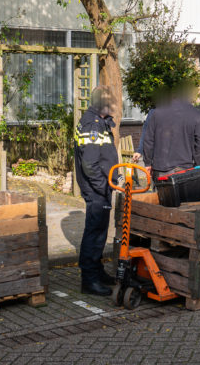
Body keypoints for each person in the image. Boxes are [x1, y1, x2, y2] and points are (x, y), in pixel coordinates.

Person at [74, 86, 119, 296]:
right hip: (96, 189)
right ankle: (89, 280)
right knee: (94, 233)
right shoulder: (92, 125)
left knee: (100, 232)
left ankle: (97, 271)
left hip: (101, 188)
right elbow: (90, 164)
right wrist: (104, 187)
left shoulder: (100, 123)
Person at [141, 88, 200, 181]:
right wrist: (197, 166)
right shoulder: (197, 115)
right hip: (185, 168)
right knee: (184, 195)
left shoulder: (157, 112)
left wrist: (147, 163)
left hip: (161, 168)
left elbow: (148, 140)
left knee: (161, 195)